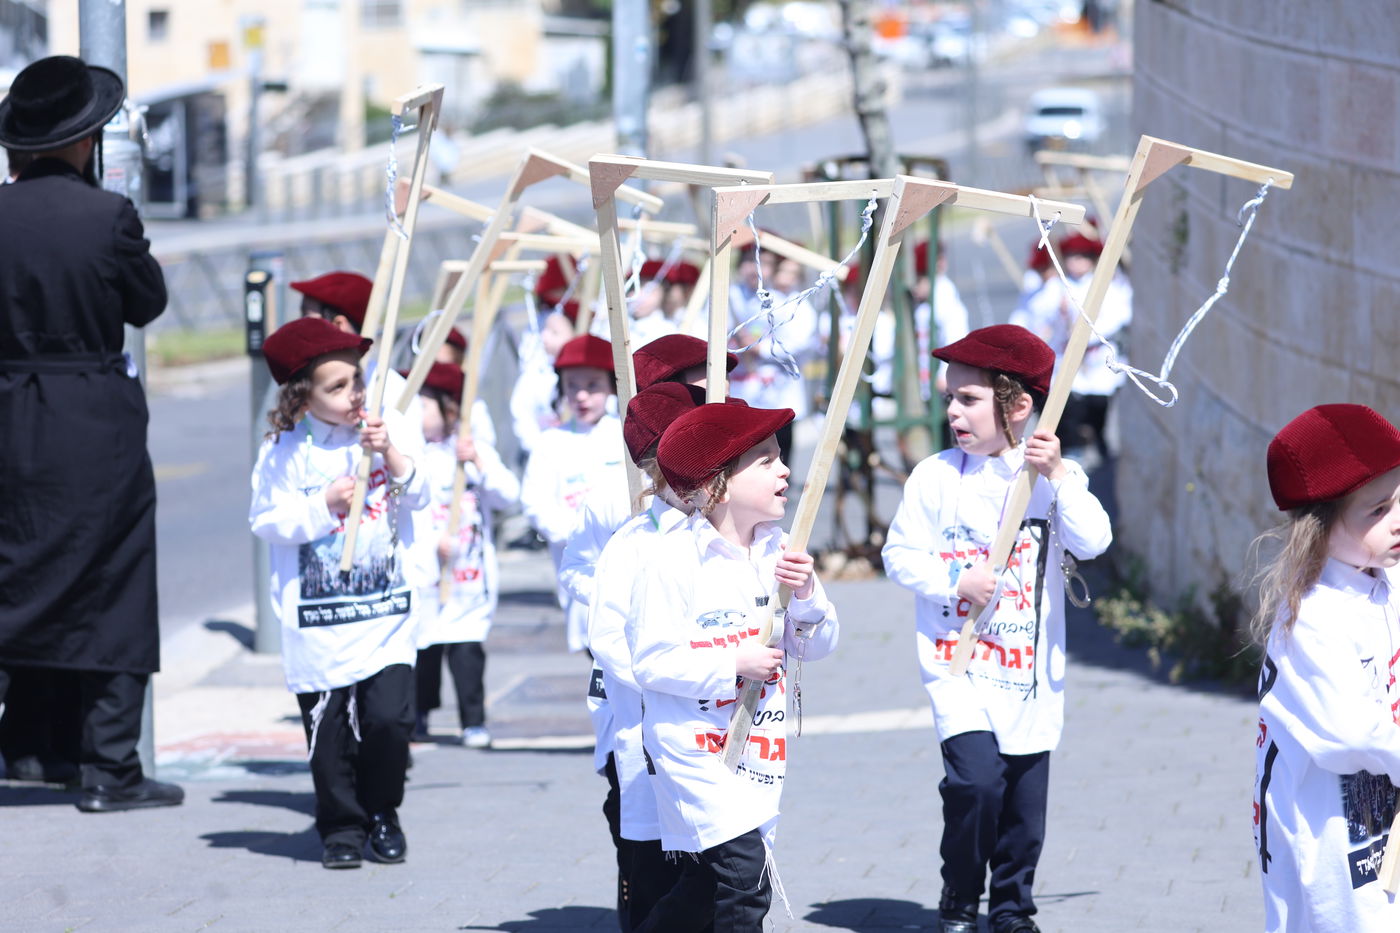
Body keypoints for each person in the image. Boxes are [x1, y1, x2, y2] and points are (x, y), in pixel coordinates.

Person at [881, 325, 1112, 933]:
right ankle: (960, 897)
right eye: (949, 398)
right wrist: (955, 581)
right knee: (977, 785)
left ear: (1017, 406)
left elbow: (1095, 539)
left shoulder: (1049, 477)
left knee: (1023, 812)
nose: (953, 412)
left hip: (1028, 672)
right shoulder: (934, 476)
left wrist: (1058, 476)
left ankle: (1011, 908)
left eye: (968, 399)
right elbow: (898, 555)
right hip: (957, 665)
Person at [0, 55, 182, 812]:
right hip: (90, 419)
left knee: (16, 570)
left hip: (8, 409)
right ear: (85, 140)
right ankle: (110, 768)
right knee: (113, 582)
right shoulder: (107, 216)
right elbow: (147, 303)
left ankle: (29, 746)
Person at [627, 402, 839, 931]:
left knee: (706, 886)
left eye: (780, 457)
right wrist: (733, 662)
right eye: (765, 460)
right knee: (746, 878)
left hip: (754, 744)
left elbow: (818, 646)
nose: (784, 470)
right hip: (691, 747)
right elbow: (651, 661)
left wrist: (807, 596)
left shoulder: (781, 551)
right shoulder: (671, 560)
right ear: (718, 484)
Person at [250, 317, 429, 869]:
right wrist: (322, 503)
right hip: (320, 618)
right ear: (304, 396)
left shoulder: (385, 427)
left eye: (357, 379)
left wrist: (391, 453)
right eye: (337, 386)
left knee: (389, 721)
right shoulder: (284, 450)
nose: (354, 394)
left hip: (384, 611)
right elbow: (265, 520)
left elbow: (421, 494)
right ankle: (342, 827)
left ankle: (383, 812)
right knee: (328, 734)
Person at [1252, 404, 1400, 933]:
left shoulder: (1384, 576)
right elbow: (1351, 731)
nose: (1397, 519)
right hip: (1332, 821)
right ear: (1319, 527)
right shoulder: (1312, 617)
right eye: (1377, 510)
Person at [585, 382, 704, 928]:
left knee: (722, 875)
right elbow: (611, 640)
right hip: (654, 731)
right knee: (656, 876)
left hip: (721, 738)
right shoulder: (633, 543)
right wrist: (686, 672)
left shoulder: (732, 537)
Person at [405, 362, 518, 749]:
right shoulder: (411, 454)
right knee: (424, 648)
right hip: (428, 573)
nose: (417, 414)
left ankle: (473, 720)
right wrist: (431, 543)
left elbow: (508, 495)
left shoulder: (471, 450)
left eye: (424, 405)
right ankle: (418, 715)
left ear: (449, 408)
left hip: (469, 577)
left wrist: (478, 463)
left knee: (467, 649)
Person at [520, 334, 627, 653]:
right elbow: (535, 504)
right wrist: (582, 534)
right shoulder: (550, 443)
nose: (581, 396)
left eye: (592, 385)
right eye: (571, 386)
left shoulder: (626, 434)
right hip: (582, 571)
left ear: (611, 386)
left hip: (628, 563)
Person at [1011, 232, 1131, 463]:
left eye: (1082, 256)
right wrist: (1056, 317)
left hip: (1096, 358)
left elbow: (1119, 315)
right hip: (1067, 359)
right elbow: (1039, 313)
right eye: (1072, 256)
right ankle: (1073, 448)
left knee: (1098, 407)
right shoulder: (1057, 287)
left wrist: (1088, 331)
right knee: (1070, 407)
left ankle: (1098, 439)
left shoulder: (1105, 284)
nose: (1077, 262)